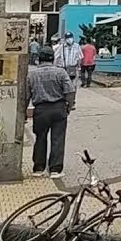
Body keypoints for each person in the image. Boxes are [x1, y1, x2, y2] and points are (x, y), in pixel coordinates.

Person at [26, 47, 76, 177]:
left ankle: (38, 168)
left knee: (40, 138)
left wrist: (23, 113)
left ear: (38, 59)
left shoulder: (32, 75)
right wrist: (69, 107)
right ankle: (55, 169)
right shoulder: (61, 73)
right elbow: (70, 91)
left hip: (40, 110)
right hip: (59, 108)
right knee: (58, 139)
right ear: (53, 58)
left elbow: (26, 96)